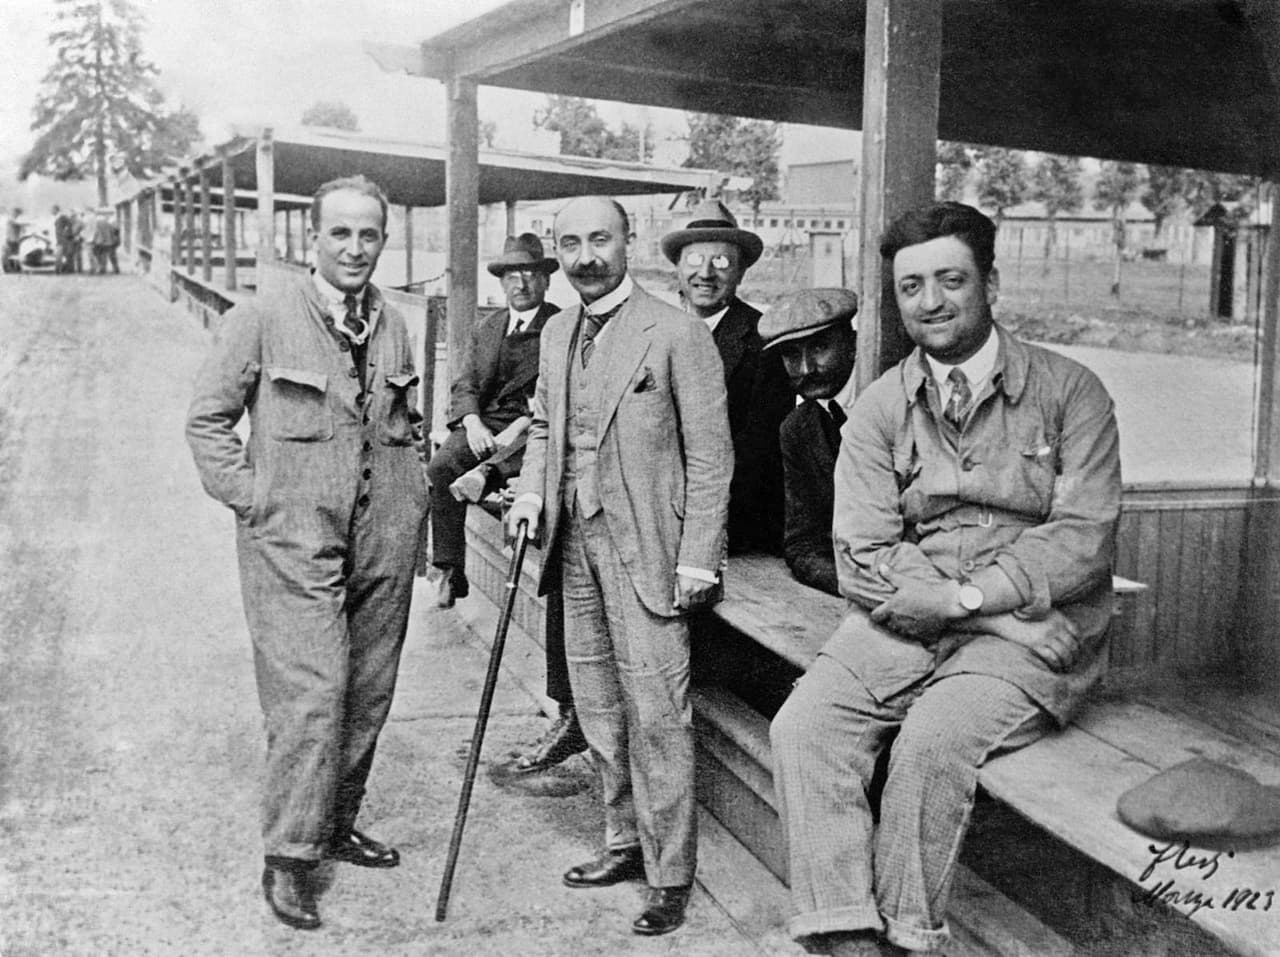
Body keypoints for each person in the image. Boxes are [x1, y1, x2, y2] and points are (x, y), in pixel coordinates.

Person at [769, 201, 1122, 957]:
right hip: (957, 619)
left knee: (930, 742)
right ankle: (844, 937)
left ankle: (907, 938)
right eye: (910, 287)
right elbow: (863, 554)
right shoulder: (879, 408)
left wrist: (977, 602)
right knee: (802, 728)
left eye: (950, 279)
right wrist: (986, 610)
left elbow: (1083, 540)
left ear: (990, 281)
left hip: (1040, 636)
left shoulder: (1073, 392)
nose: (930, 301)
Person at [186, 175, 428, 932]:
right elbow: (208, 422)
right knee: (312, 694)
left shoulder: (391, 322)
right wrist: (255, 498)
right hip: (293, 540)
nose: (355, 248)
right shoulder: (261, 315)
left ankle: (335, 821)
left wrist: (413, 496)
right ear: (313, 239)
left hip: (383, 533)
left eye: (368, 235)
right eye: (340, 234)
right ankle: (290, 855)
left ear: (382, 240)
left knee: (368, 687)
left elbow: (403, 418)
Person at [506, 195, 732, 936]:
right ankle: (623, 840)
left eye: (599, 239)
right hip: (574, 544)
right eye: (569, 244)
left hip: (650, 553)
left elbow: (711, 456)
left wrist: (699, 557)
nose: (584, 256)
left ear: (628, 241)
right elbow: (545, 421)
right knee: (599, 702)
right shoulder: (559, 329)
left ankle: (670, 874)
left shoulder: (676, 332)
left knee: (658, 712)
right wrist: (534, 494)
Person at [427, 232, 559, 609]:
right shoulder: (488, 328)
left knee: (528, 444)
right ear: (502, 282)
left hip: (532, 427)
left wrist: (524, 421)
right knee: (440, 468)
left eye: (531, 274)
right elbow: (465, 382)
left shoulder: (560, 327)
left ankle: (486, 474)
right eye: (513, 274)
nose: (522, 283)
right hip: (485, 425)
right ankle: (451, 569)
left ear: (546, 280)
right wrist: (471, 422)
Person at [661, 199, 793, 554]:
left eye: (720, 262)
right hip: (657, 518)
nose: (705, 273)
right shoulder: (654, 331)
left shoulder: (764, 342)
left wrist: (693, 525)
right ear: (676, 267)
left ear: (741, 272)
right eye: (693, 260)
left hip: (731, 528)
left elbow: (757, 456)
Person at [757, 288, 858, 596]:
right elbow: (802, 542)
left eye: (820, 347)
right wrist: (850, 585)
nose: (805, 369)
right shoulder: (797, 428)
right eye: (791, 355)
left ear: (853, 344)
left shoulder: (891, 406)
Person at [52, 206, 72, 273]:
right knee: (61, 255)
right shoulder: (57, 217)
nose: (52, 211)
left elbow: (69, 223)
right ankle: (62, 269)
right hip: (58, 239)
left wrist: (67, 233)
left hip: (62, 239)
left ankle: (62, 270)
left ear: (56, 210)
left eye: (53, 210)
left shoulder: (62, 217)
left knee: (62, 255)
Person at [3, 208, 23, 273]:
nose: (18, 215)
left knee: (14, 254)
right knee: (9, 254)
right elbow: (17, 224)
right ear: (14, 212)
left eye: (18, 214)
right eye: (17, 213)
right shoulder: (10, 219)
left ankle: (15, 268)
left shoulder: (14, 219)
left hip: (15, 240)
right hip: (11, 239)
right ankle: (9, 269)